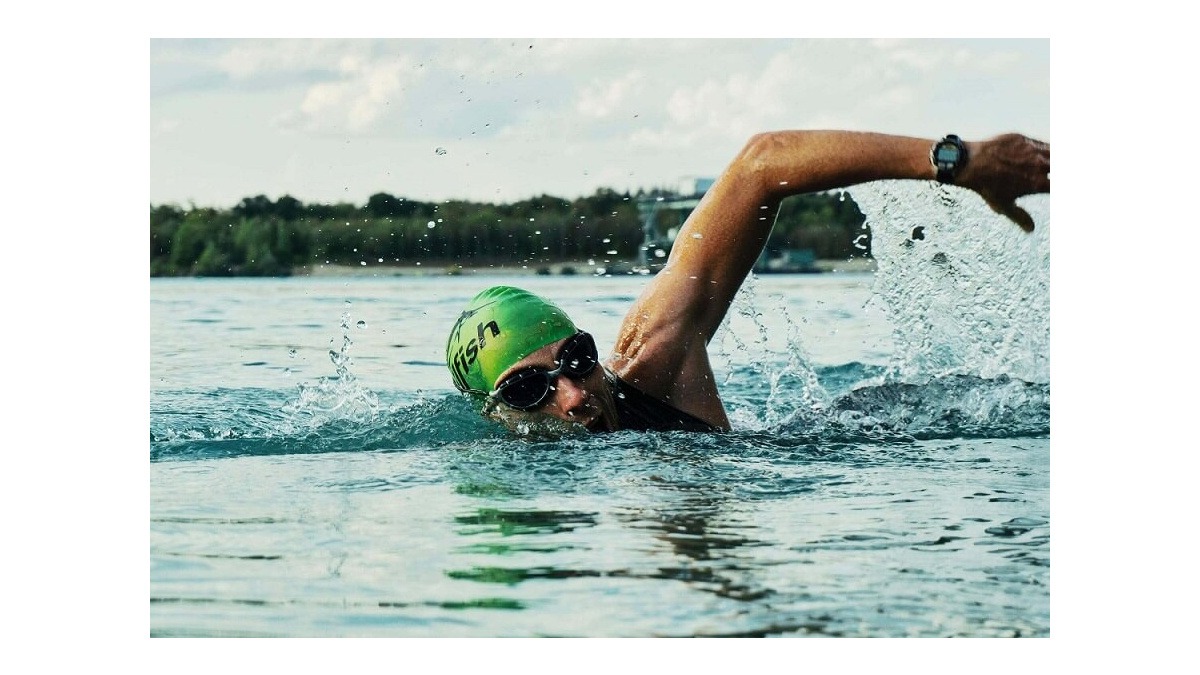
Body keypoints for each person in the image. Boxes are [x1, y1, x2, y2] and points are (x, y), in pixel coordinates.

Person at [445, 130, 1050, 433]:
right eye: (529, 391)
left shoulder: (652, 359)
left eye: (576, 360)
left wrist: (957, 162)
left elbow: (761, 164)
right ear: (493, 414)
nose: (573, 396)